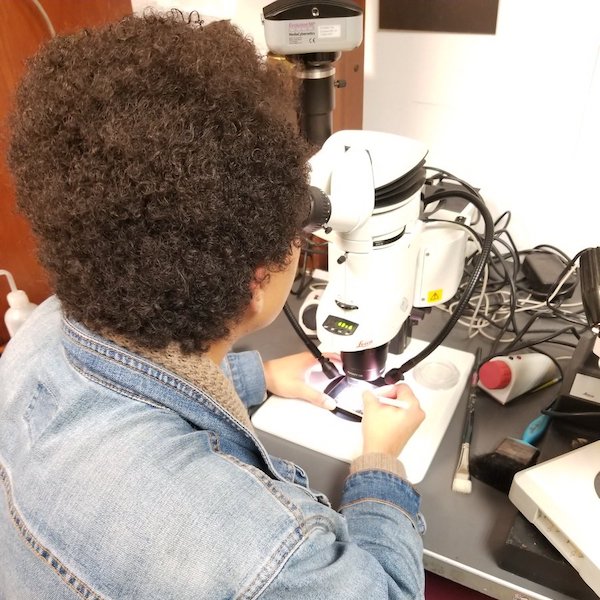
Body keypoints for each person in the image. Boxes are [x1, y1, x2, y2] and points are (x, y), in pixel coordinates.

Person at [0, 11, 426, 599]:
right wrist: (380, 462)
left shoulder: (37, 335)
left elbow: (136, 377)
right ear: (257, 281)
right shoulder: (265, 554)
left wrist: (264, 375)